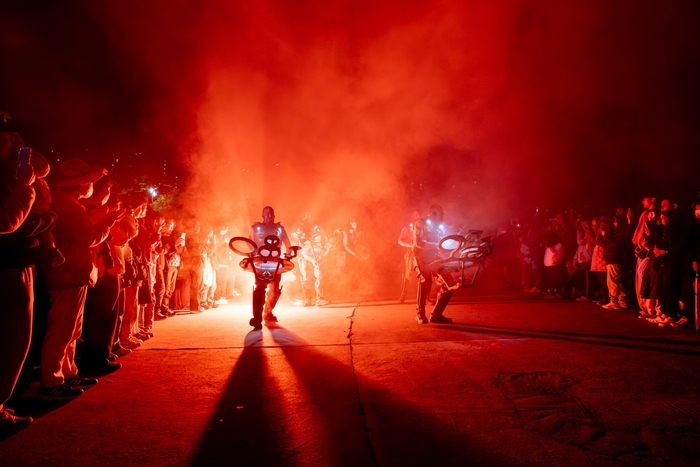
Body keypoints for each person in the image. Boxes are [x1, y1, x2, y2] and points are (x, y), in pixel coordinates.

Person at [248, 206, 291, 329]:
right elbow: (248, 243)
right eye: (266, 213)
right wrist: (249, 255)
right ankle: (257, 318)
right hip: (260, 261)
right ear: (262, 215)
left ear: (274, 215)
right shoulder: (255, 228)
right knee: (260, 288)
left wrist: (288, 255)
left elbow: (288, 244)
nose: (269, 216)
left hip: (275, 262)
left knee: (275, 289)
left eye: (271, 213)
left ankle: (268, 312)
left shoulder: (279, 228)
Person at [413, 204, 454, 324]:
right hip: (421, 256)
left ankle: (436, 314)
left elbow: (443, 244)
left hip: (435, 257)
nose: (443, 215)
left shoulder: (439, 226)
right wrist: (436, 245)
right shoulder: (420, 223)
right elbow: (418, 243)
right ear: (433, 213)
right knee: (425, 281)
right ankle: (420, 314)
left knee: (449, 285)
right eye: (441, 213)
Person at [398, 211, 420, 303]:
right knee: (408, 274)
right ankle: (403, 295)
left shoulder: (421, 226)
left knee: (423, 274)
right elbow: (399, 240)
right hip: (410, 254)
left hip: (420, 253)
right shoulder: (407, 228)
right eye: (415, 214)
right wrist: (410, 245)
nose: (417, 216)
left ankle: (425, 298)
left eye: (418, 214)